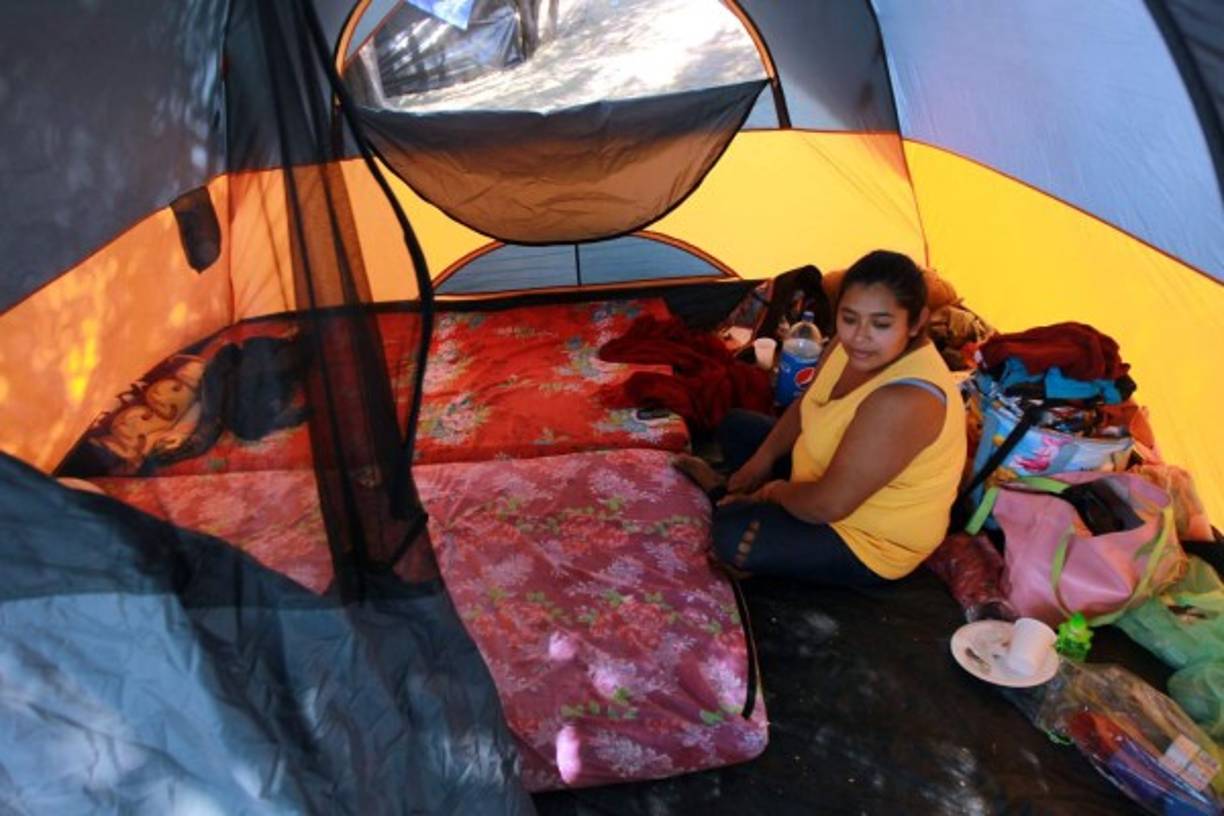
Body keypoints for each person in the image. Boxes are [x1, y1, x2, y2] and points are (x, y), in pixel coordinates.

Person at [675, 250, 967, 586]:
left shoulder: (907, 399)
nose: (860, 336)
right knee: (737, 426)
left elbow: (829, 505)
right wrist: (761, 461)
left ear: (916, 323)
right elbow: (805, 405)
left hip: (864, 536)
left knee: (734, 537)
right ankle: (742, 501)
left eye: (881, 324)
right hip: (824, 470)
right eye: (850, 317)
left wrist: (771, 491)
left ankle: (725, 499)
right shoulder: (847, 347)